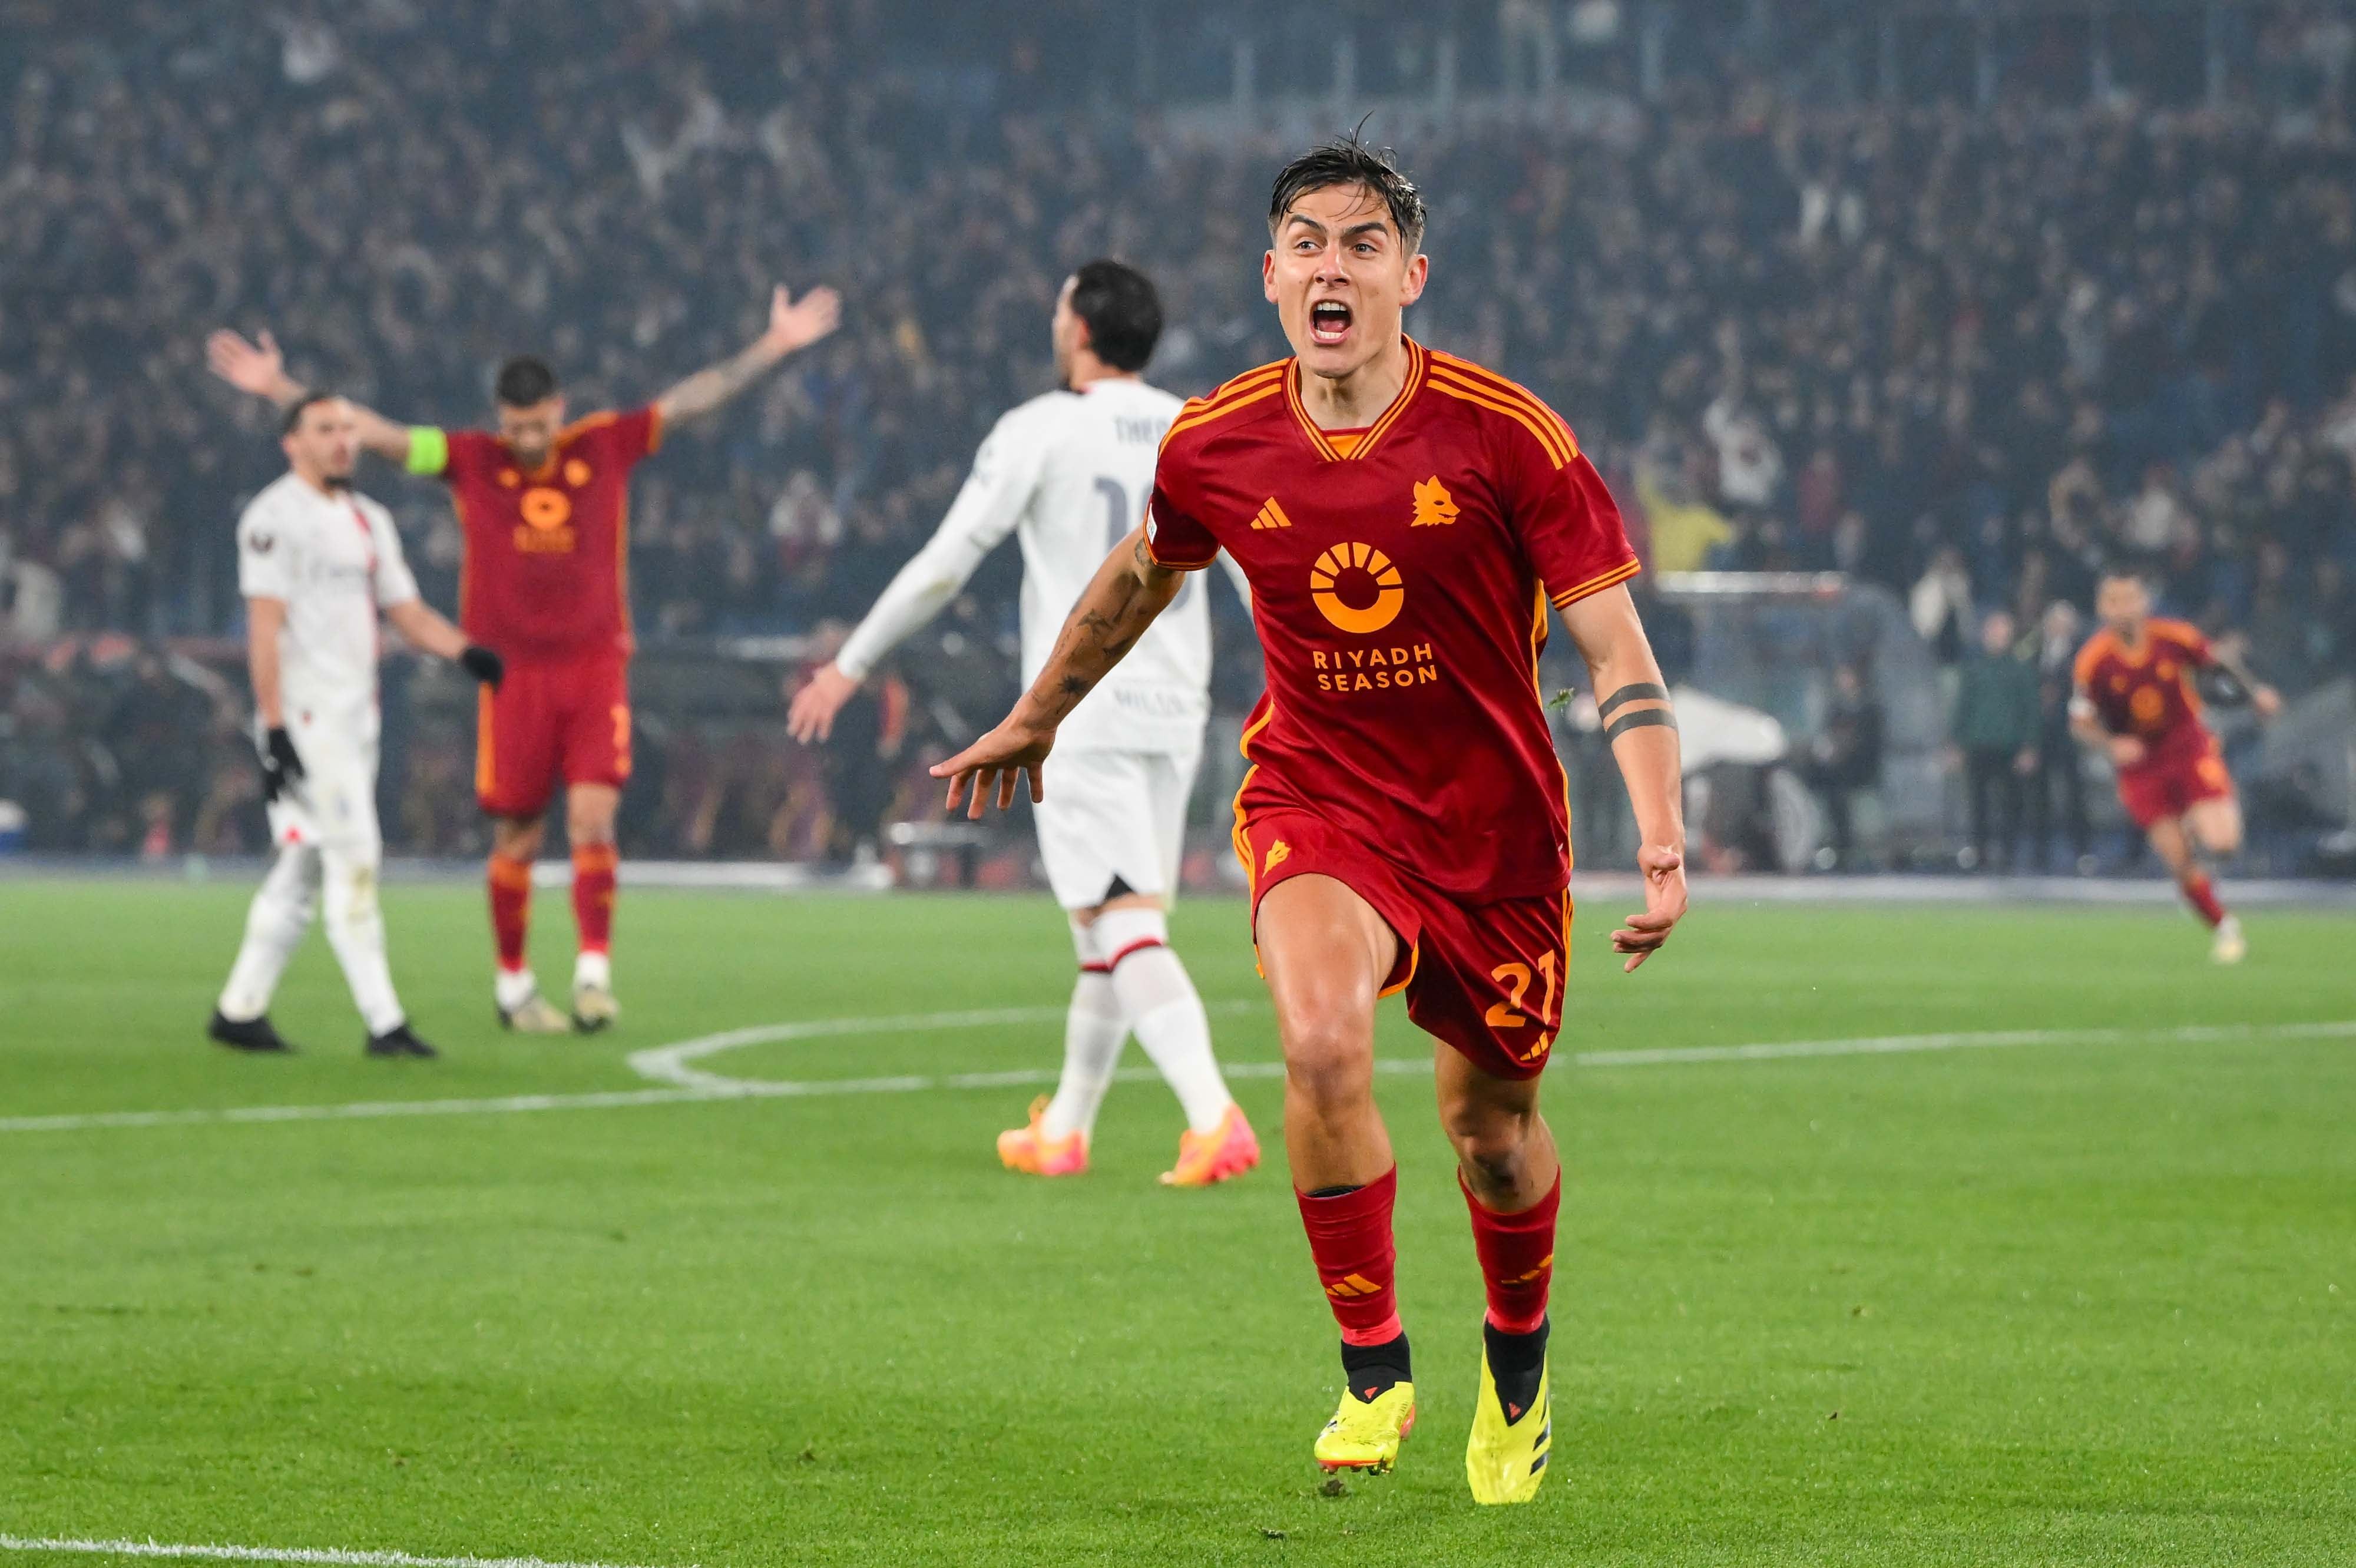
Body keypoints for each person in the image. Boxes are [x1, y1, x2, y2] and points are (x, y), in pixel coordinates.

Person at [928, 138, 1687, 1503]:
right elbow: (1140, 573)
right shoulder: (1217, 442)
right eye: (1306, 243)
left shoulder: (1508, 434)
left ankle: (1516, 1359)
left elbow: (1616, 654)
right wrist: (1039, 711)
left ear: (1410, 272)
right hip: (1319, 797)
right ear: (1271, 275)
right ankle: (1372, 1360)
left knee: (1493, 1136)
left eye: (1359, 243)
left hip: (1494, 831)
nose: (1330, 266)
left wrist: (1662, 837)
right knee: (1320, 1038)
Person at [206, 283, 840, 1031]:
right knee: (517, 833)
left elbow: (690, 401)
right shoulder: (472, 460)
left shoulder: (602, 444)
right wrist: (277, 387)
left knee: (594, 818)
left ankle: (594, 975)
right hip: (510, 674)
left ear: (559, 410)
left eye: (538, 427)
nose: (529, 442)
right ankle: (513, 989)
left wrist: (774, 347)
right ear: (499, 420)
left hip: (594, 662)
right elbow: (373, 432)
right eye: (515, 428)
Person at [789, 261, 1262, 1187]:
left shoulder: (1038, 430)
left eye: (1057, 307)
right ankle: (1067, 1129)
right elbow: (1254, 564)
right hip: (1176, 703)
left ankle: (1213, 1116)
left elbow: (945, 562)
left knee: (1122, 919)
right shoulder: (1190, 426)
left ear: (1079, 327)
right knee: (1111, 924)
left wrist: (852, 662)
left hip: (1081, 703)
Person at [207, 394, 504, 1058]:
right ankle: (384, 1022)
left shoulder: (370, 520)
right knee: (356, 859)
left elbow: (405, 610)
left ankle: (239, 1009)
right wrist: (275, 727)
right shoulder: (274, 518)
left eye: (349, 429)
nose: (343, 441)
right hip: (306, 719)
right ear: (293, 444)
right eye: (325, 430)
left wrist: (465, 652)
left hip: (355, 715)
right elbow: (265, 627)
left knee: (302, 867)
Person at [2070, 570, 2282, 961]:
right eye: (2115, 601)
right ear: (2103, 608)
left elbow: (2217, 661)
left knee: (2224, 843)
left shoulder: (2174, 637)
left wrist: (2256, 694)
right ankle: (2224, 926)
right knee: (2178, 859)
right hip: (2142, 766)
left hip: (2188, 748)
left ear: (2144, 603)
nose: (2124, 609)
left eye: (2131, 599)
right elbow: (2080, 721)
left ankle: (2195, 826)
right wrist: (2112, 743)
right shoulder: (2093, 661)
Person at [1952, 610, 2040, 871]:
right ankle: (1979, 853)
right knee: (1978, 803)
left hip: (2009, 746)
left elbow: (2030, 711)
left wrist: (2030, 746)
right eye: (1992, 631)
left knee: (2011, 804)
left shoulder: (2021, 670)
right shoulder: (1975, 669)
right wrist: (1957, 743)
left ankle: (2009, 854)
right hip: (1979, 744)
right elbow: (1963, 707)